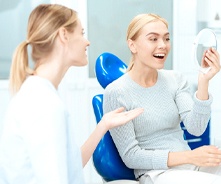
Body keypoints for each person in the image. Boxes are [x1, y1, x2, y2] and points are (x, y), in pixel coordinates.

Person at [103, 13, 221, 184]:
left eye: (166, 38)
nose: (163, 45)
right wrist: (191, 156)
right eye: (153, 39)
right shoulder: (117, 92)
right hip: (157, 174)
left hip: (191, 165)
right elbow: (131, 156)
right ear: (132, 45)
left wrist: (204, 81)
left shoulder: (175, 79)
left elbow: (196, 128)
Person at [0, 4, 143, 184]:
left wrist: (103, 125)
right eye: (81, 33)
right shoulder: (44, 104)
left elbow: (71, 166)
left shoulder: (39, 93)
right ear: (63, 35)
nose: (87, 42)